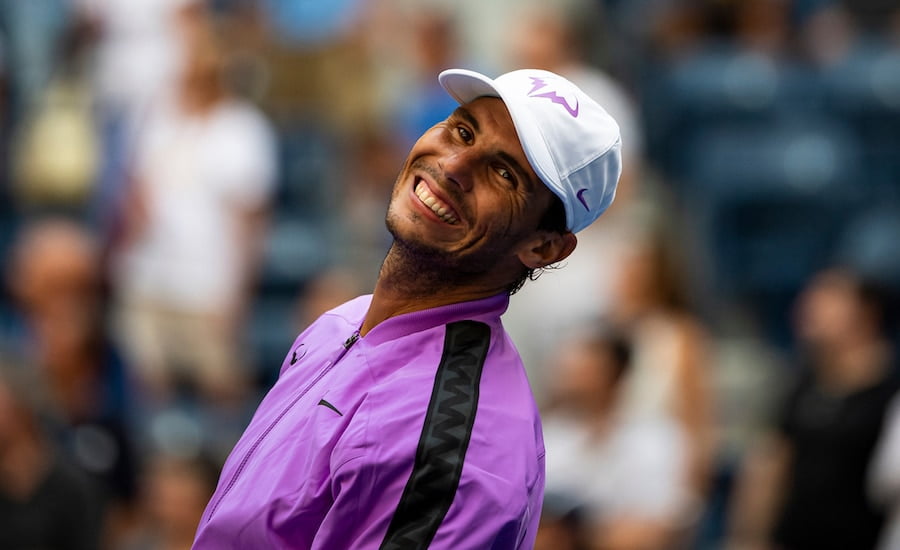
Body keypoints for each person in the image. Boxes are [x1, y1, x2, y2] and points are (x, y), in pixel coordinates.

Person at [192, 67, 622, 549]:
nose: (455, 166)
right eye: (463, 130)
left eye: (503, 173)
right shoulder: (343, 321)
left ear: (545, 247)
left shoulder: (455, 450)